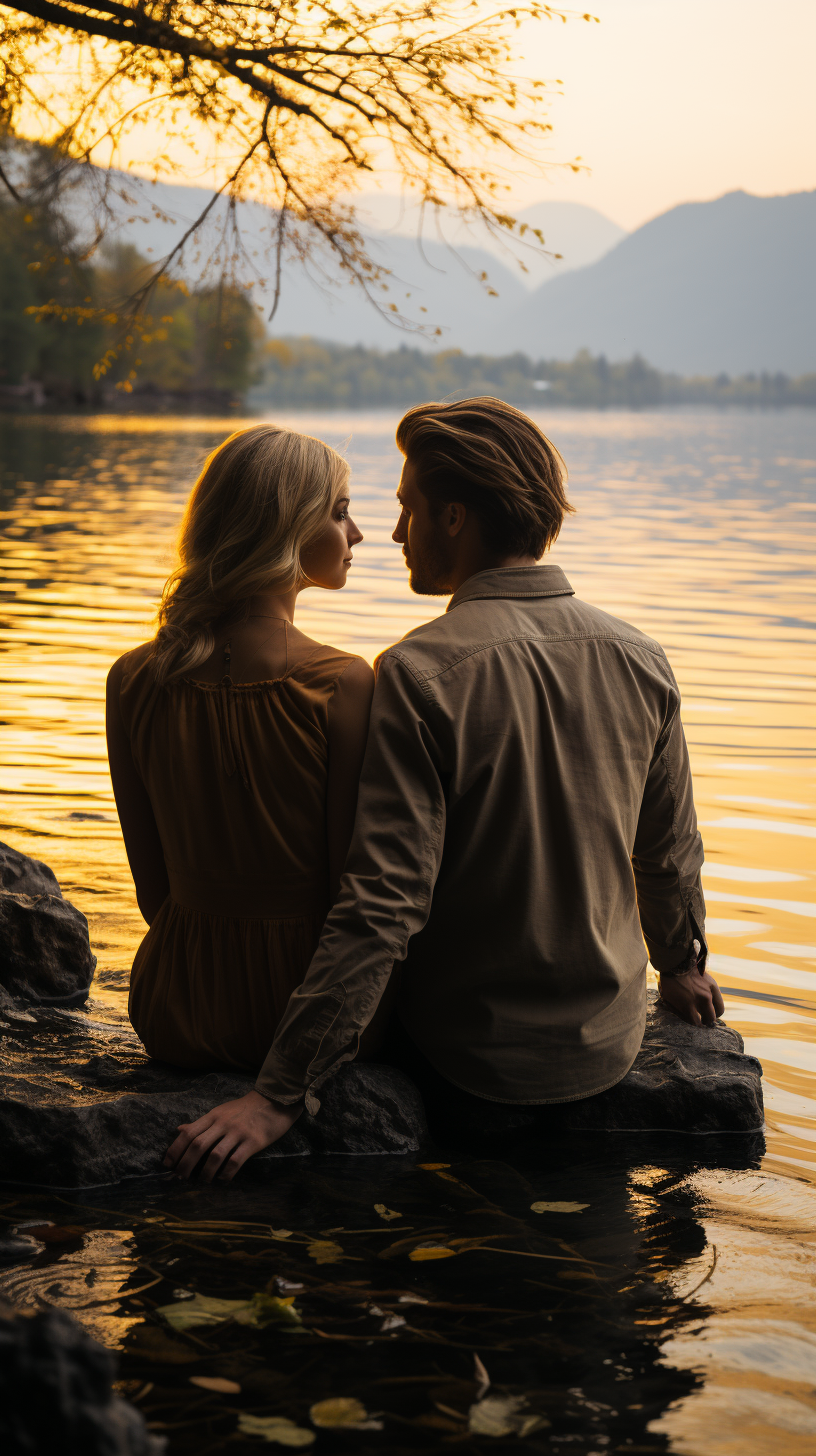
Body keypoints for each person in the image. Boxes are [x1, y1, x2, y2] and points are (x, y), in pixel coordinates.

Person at [165, 398, 724, 1182]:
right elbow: (667, 849)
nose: (393, 535)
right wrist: (683, 964)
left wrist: (278, 1094)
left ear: (454, 518)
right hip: (607, 1045)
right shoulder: (641, 655)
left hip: (470, 1065)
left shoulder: (417, 673)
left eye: (406, 510)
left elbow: (382, 905)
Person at [106, 424, 375, 1096]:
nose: (359, 534)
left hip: (172, 1004)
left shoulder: (133, 677)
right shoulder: (344, 682)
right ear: (283, 528)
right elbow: (353, 896)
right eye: (340, 512)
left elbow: (152, 890)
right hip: (299, 1019)